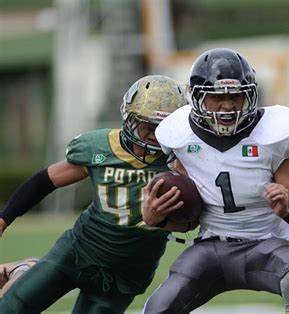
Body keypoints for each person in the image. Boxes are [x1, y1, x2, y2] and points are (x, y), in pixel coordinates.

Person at [141, 48, 289, 314]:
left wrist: (288, 211)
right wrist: (155, 218)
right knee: (158, 307)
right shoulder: (179, 136)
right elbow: (188, 217)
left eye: (236, 95)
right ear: (198, 98)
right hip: (211, 246)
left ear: (249, 95)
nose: (228, 105)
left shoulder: (273, 135)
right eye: (217, 97)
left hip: (267, 245)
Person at [0, 75, 194, 313]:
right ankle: (24, 271)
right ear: (131, 119)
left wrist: (160, 222)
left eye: (163, 127)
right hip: (78, 251)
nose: (155, 135)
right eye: (148, 127)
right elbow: (46, 180)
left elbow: (190, 222)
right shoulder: (101, 147)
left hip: (125, 273)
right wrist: (4, 219)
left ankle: (22, 271)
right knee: (11, 309)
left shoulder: (183, 161)